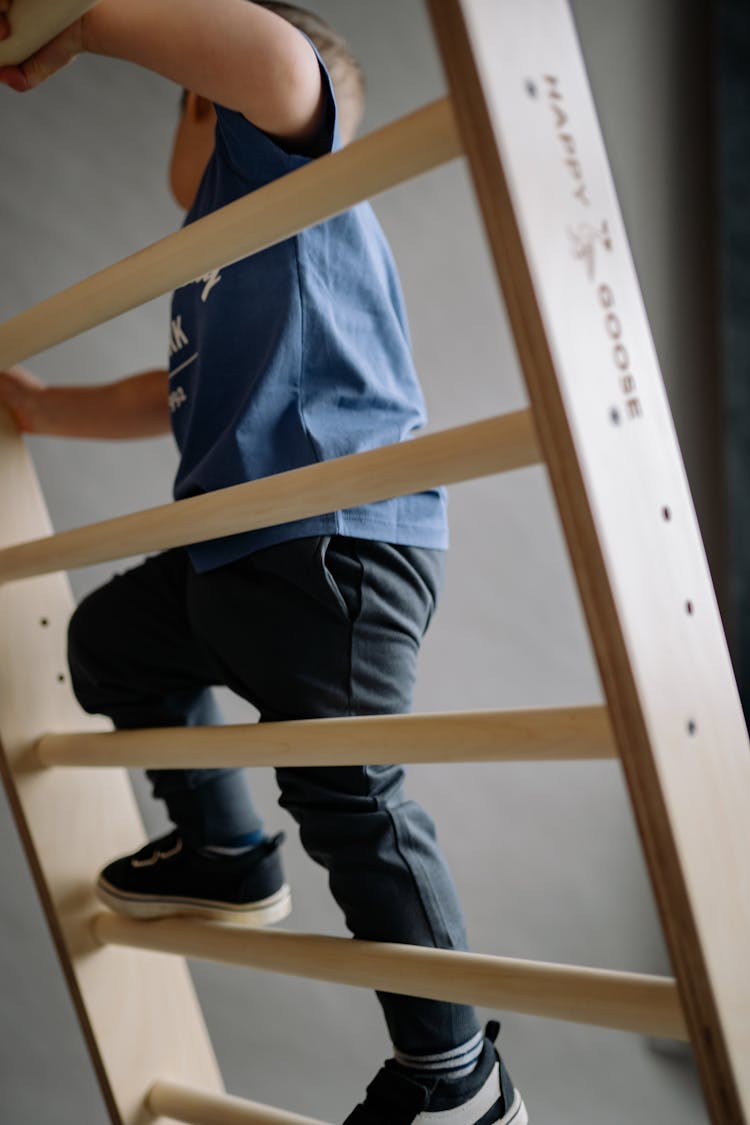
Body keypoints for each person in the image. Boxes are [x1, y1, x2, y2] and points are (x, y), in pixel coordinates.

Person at [0, 3, 527, 1122]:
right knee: (110, 645)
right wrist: (44, 409)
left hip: (335, 549)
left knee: (348, 797)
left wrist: (90, 20)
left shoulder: (288, 182)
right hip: (238, 562)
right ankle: (224, 847)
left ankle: (457, 1081)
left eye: (194, 101)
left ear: (214, 103)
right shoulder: (219, 258)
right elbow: (167, 396)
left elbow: (281, 62)